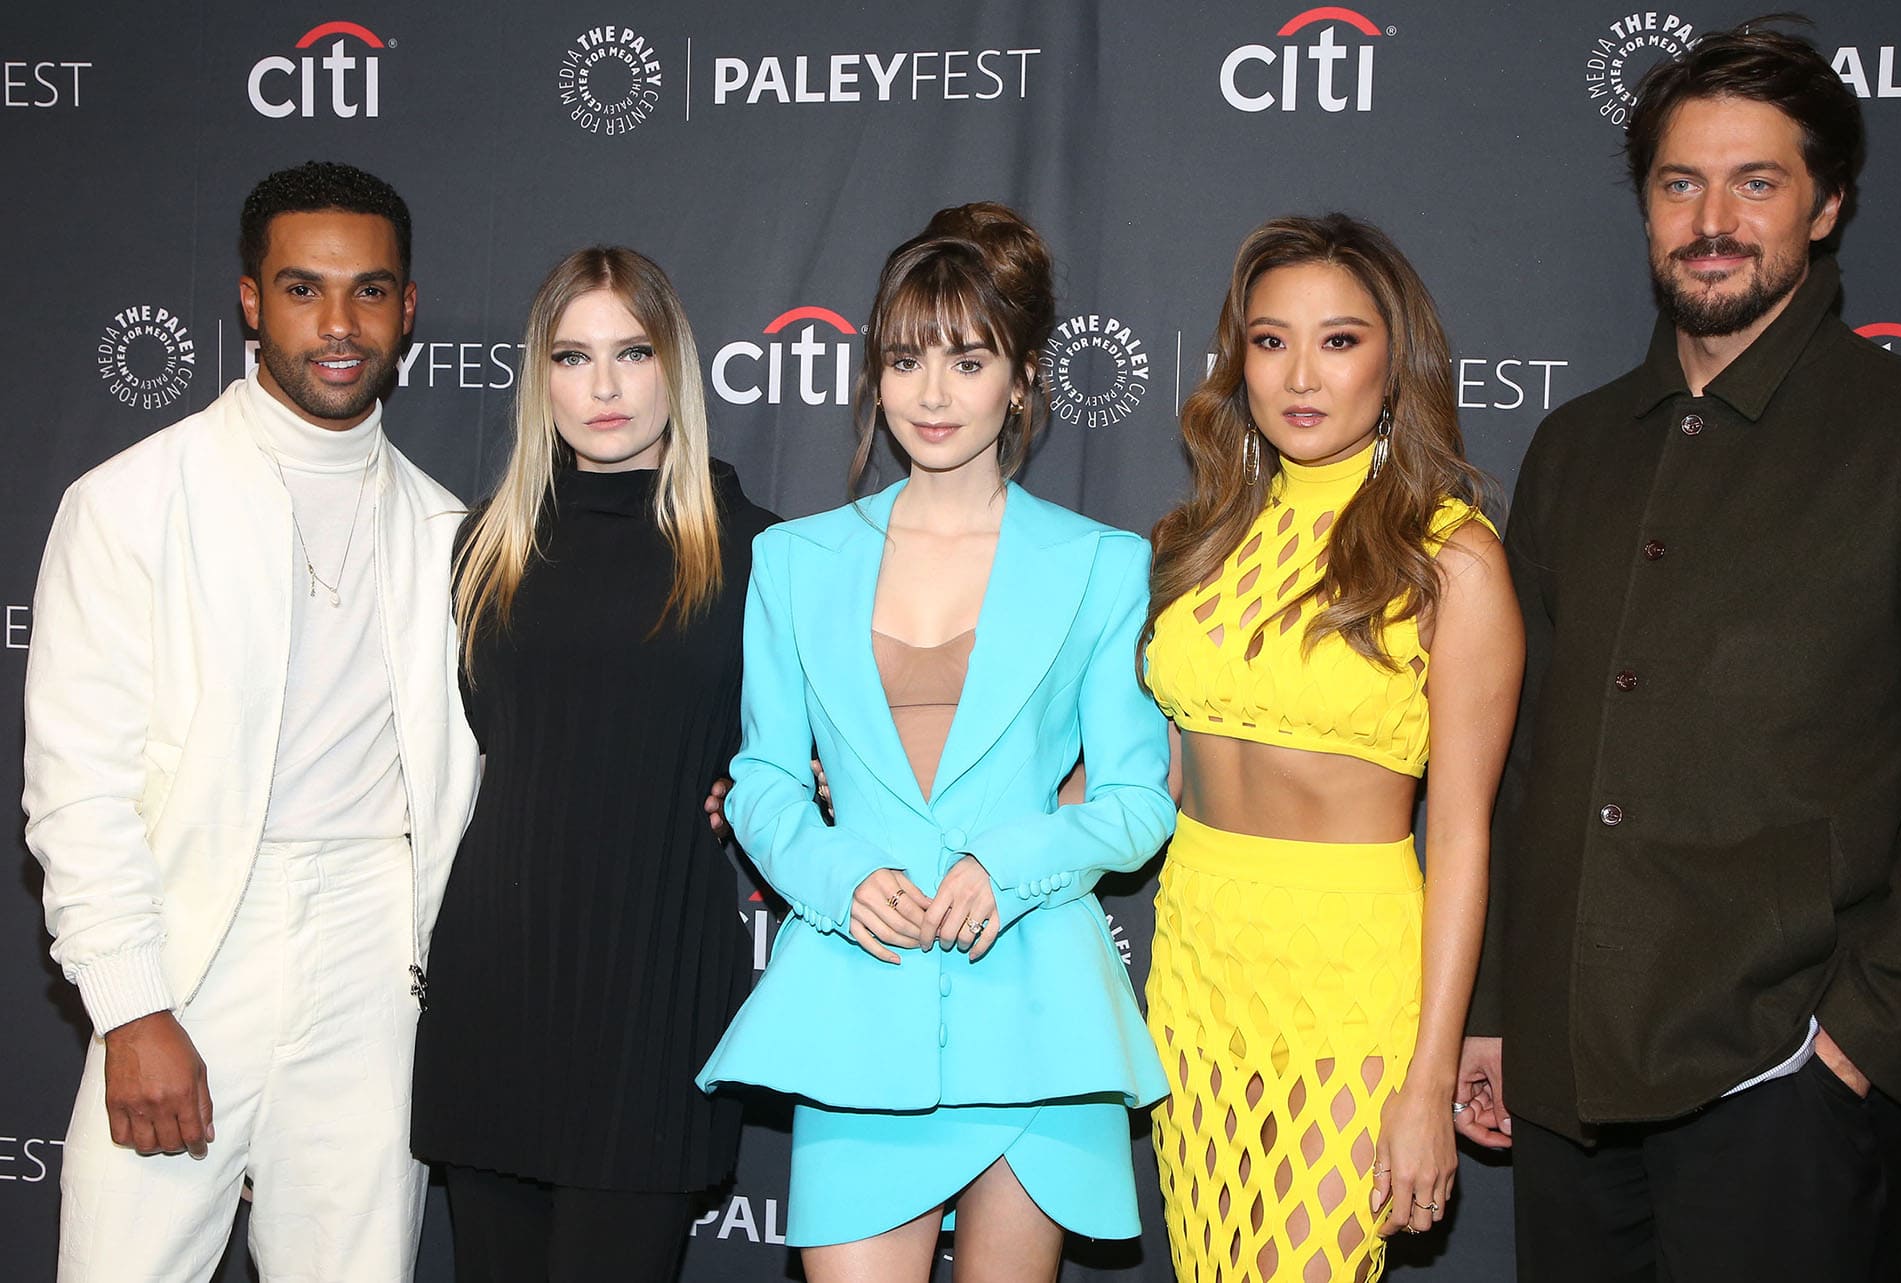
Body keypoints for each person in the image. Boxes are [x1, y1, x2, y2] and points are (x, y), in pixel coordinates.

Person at [1456, 19, 1901, 1283]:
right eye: (1679, 183)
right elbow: (1514, 763)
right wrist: (1496, 1009)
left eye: (1754, 181)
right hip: (1565, 1085)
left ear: (1826, 206)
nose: (1709, 217)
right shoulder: (1574, 449)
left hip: (1779, 1081)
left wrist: (1860, 1042)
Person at [696, 202, 1172, 1282]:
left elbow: (1138, 801)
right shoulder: (793, 561)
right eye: (906, 359)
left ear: (1022, 374)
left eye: (967, 358)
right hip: (857, 997)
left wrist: (1006, 864)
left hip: (1034, 1002)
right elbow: (764, 780)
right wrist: (835, 871)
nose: (932, 391)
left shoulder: (1097, 562)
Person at [23, 161, 478, 1281]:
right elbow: (76, 788)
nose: (337, 323)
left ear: (407, 310)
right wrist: (131, 1010)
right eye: (301, 288)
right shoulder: (129, 501)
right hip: (184, 949)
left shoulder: (448, 533)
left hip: (375, 968)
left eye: (369, 291)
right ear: (247, 301)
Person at [1142, 213, 1522, 1283]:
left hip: (1353, 973)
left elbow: (1458, 835)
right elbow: (1150, 780)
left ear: (1394, 364)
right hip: (1197, 962)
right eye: (1269, 340)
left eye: (1339, 339)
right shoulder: (1189, 541)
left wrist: (1425, 1079)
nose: (1299, 373)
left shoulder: (1452, 560)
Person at [409, 248, 774, 1282]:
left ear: (675, 368)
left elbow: (816, 757)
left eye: (631, 352)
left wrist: (751, 783)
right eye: (572, 357)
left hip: (651, 995)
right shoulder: (482, 544)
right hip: (496, 984)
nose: (603, 387)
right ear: (541, 377)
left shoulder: (757, 550)